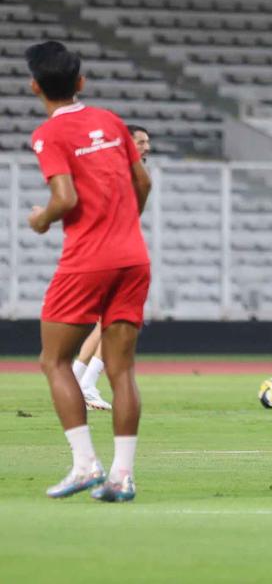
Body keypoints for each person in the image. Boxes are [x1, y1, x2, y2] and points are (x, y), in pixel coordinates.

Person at [25, 41, 151, 502]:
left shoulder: (47, 135)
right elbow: (144, 181)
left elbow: (66, 199)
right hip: (133, 257)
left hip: (87, 260)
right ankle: (122, 476)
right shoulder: (110, 121)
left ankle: (84, 465)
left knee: (54, 360)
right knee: (121, 371)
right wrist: (124, 227)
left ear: (35, 86)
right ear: (80, 82)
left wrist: (40, 219)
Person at [71, 124, 152, 410]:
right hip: (112, 253)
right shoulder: (123, 172)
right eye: (140, 142)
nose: (146, 147)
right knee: (119, 321)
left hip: (103, 250)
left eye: (146, 142)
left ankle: (78, 379)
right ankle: (87, 384)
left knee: (105, 322)